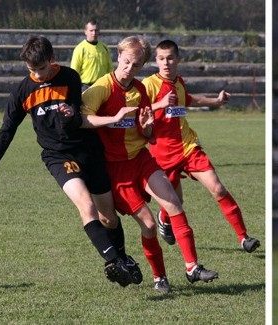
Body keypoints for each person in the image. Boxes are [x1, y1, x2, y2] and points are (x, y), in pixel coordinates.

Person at [0, 36, 142, 288]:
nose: (37, 75)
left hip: (87, 150)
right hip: (58, 156)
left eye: (41, 69)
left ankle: (123, 257)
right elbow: (6, 131)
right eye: (32, 70)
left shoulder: (69, 77)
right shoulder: (22, 91)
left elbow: (77, 116)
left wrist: (70, 113)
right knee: (86, 206)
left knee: (109, 218)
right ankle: (113, 262)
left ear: (52, 60)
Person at [80, 36, 219, 292]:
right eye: (125, 62)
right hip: (116, 168)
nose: (129, 69)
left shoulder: (140, 89)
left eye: (135, 66)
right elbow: (81, 119)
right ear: (118, 57)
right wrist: (112, 117)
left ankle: (192, 267)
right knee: (150, 225)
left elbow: (147, 132)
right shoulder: (101, 88)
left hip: (141, 159)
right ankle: (160, 278)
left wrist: (146, 127)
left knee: (173, 204)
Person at [140, 39, 261, 253]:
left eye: (170, 58)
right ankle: (163, 217)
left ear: (178, 59)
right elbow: (137, 110)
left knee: (218, 188)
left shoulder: (179, 82)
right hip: (162, 155)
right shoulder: (149, 84)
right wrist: (159, 104)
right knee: (176, 203)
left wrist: (216, 101)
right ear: (156, 61)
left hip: (188, 147)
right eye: (161, 59)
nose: (165, 63)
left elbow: (189, 100)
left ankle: (244, 238)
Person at [70, 19, 114, 92]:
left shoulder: (104, 47)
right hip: (86, 86)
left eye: (96, 30)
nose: (94, 33)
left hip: (103, 86)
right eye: (91, 30)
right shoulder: (80, 48)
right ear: (85, 32)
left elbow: (110, 68)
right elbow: (74, 71)